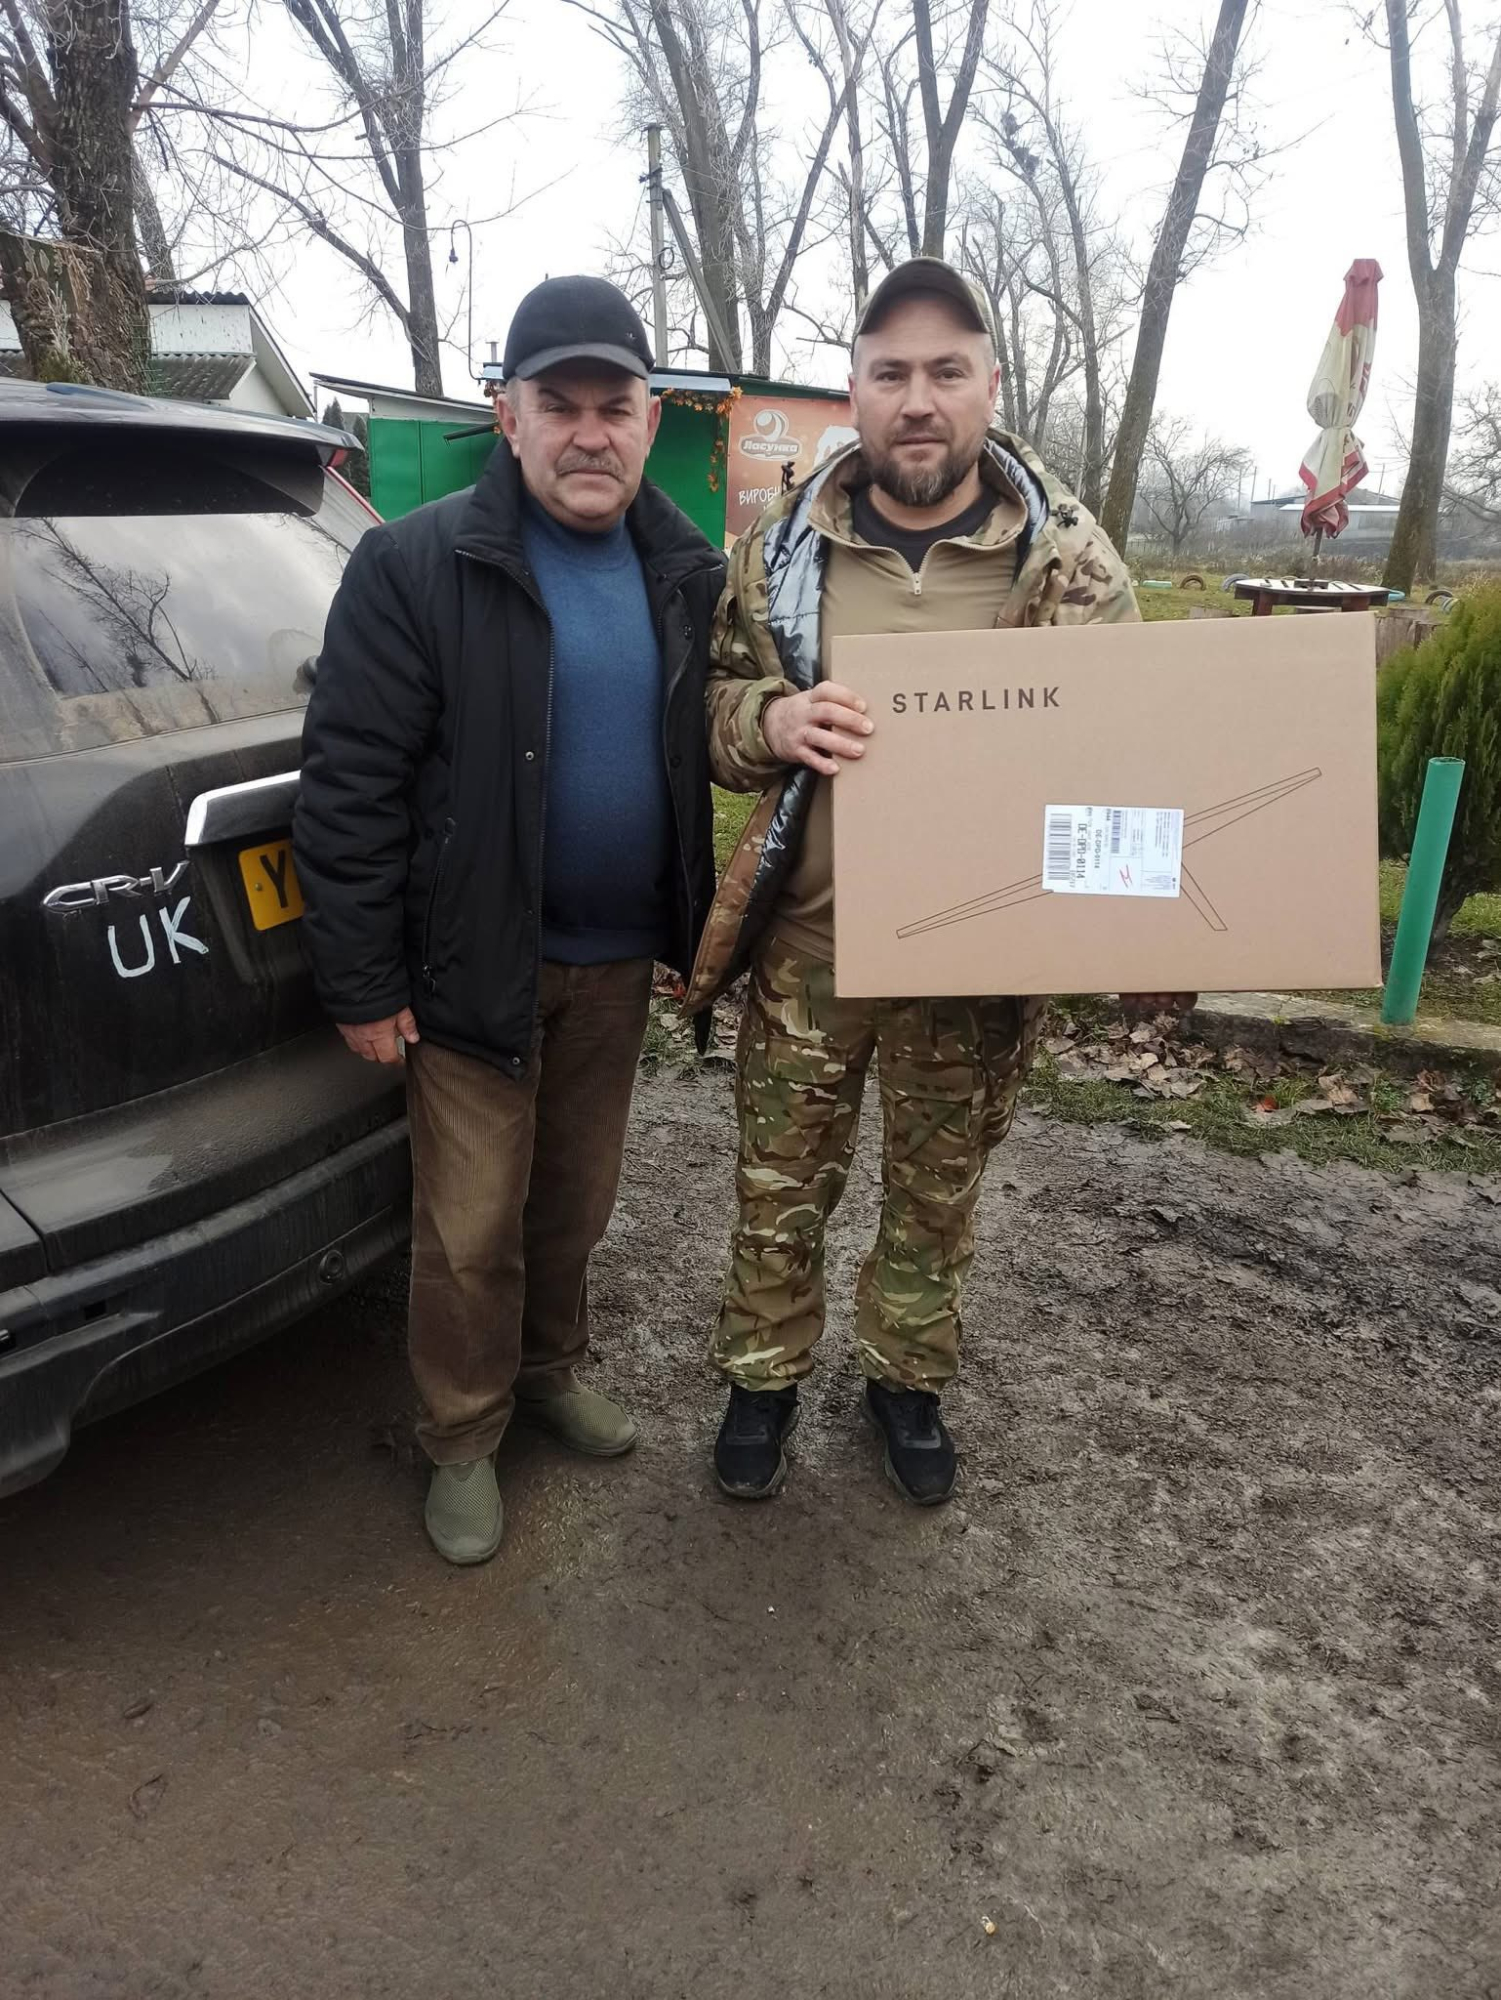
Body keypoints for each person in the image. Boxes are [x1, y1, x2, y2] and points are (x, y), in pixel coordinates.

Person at [686, 256, 1192, 1507]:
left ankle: (904, 1381)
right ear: (854, 389)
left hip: (976, 959)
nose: (918, 400)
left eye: (945, 372)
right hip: (810, 949)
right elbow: (705, 708)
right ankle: (762, 1380)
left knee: (936, 1194)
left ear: (989, 386)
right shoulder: (780, 550)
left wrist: (1151, 932)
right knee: (777, 1182)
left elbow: (1130, 761)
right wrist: (770, 717)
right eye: (891, 372)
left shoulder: (1071, 566)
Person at [295, 276, 725, 1565]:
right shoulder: (416, 565)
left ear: (651, 420)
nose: (590, 432)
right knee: (469, 1227)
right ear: (508, 414)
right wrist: (362, 980)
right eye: (560, 403)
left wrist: (695, 928)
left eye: (615, 406)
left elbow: (705, 748)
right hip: (473, 968)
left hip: (614, 965)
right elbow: (351, 784)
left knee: (573, 1206)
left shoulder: (685, 571)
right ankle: (462, 1434)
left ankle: (546, 1373)